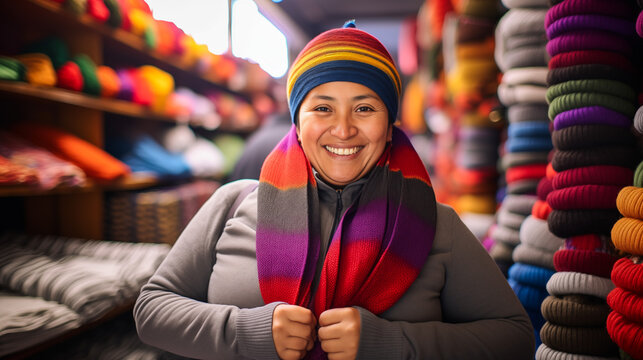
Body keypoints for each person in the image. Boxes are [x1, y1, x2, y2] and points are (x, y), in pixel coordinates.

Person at [134, 21, 535, 360]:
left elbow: (514, 337)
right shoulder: (233, 203)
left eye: (364, 108)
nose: (343, 130)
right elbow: (151, 310)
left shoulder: (436, 224)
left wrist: (393, 344)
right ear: (297, 120)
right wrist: (245, 331)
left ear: (390, 122)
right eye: (322, 108)